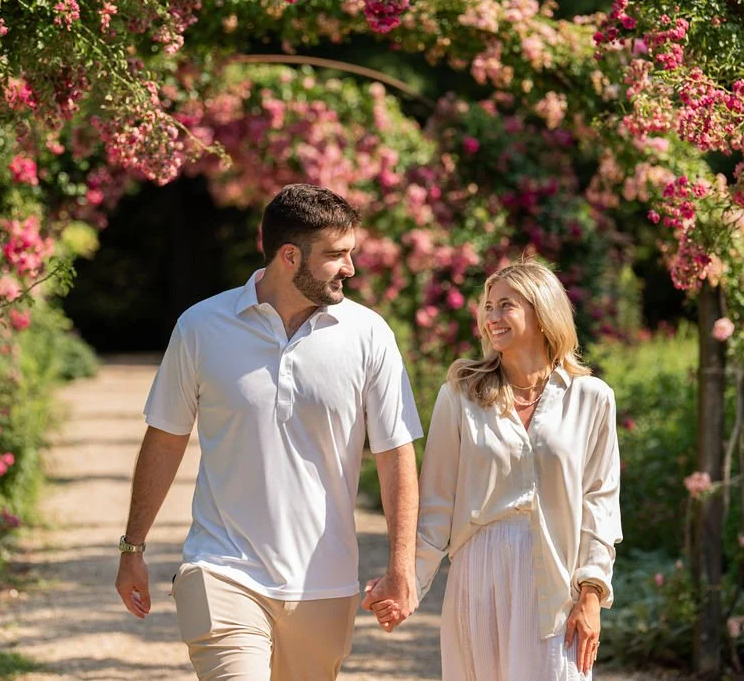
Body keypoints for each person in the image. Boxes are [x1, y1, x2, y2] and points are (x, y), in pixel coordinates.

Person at [115, 184, 423, 680]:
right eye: (336, 255)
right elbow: (166, 437)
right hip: (222, 568)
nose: (350, 268)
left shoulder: (369, 335)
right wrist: (133, 547)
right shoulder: (202, 327)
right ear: (289, 255)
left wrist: (401, 568)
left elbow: (395, 454)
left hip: (324, 583)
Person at [372, 261, 622, 679]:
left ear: (542, 312)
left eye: (506, 305)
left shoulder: (591, 397)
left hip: (556, 582)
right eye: (487, 307)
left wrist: (592, 594)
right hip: (478, 573)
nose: (491, 317)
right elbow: (437, 503)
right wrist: (407, 583)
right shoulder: (460, 394)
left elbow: (600, 502)